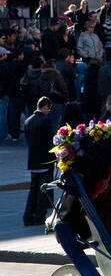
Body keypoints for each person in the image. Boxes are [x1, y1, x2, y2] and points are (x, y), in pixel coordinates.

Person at [23, 96, 55, 226]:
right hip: (45, 160)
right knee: (43, 189)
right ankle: (39, 216)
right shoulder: (45, 121)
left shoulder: (28, 121)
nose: (49, 111)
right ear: (45, 106)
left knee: (33, 189)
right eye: (49, 108)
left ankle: (27, 216)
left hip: (33, 160)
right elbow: (50, 141)